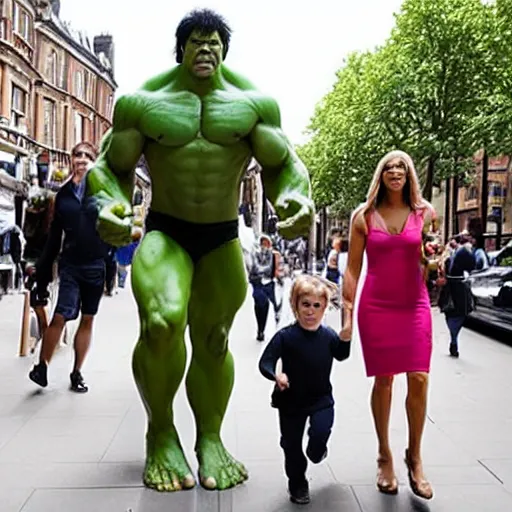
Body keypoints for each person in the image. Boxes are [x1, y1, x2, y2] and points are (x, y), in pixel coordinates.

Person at [86, 9, 314, 492]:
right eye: (196, 42)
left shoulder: (252, 104)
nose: (206, 49)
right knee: (162, 323)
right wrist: (108, 204)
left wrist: (296, 198)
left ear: (224, 50)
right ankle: (161, 430)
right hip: (166, 232)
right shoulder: (142, 103)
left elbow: (284, 165)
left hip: (221, 237)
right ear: (182, 49)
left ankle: (210, 437)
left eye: (214, 42)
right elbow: (109, 168)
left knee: (214, 339)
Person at [341, 150, 436, 500]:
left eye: (402, 167)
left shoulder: (425, 213)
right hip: (377, 306)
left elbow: (430, 257)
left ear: (409, 175)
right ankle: (384, 454)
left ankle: (415, 457)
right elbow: (352, 269)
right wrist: (347, 314)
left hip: (414, 304)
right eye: (389, 167)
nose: (395, 172)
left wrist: (434, 263)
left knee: (420, 378)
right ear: (380, 175)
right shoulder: (363, 216)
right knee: (384, 382)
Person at [258, 275, 351, 505]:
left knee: (320, 434)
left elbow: (341, 354)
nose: (310, 311)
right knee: (291, 446)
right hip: (290, 401)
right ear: (295, 305)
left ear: (324, 308)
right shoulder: (285, 337)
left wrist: (346, 338)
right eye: (305, 305)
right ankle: (297, 482)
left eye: (316, 306)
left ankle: (318, 449)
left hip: (321, 398)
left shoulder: (328, 335)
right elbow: (265, 362)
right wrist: (276, 375)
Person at [28, 142, 107, 393]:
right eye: (78, 155)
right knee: (61, 314)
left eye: (87, 155)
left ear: (94, 161)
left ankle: (77, 372)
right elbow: (53, 238)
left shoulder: (103, 192)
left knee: (87, 319)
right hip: (71, 264)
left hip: (96, 265)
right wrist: (41, 275)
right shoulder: (62, 196)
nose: (82, 159)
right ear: (71, 160)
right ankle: (42, 367)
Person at [438, 233, 476, 357]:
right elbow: (471, 267)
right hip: (457, 286)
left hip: (452, 286)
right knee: (457, 312)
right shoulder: (462, 252)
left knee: (451, 312)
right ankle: (454, 339)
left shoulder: (456, 253)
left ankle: (453, 338)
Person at [248, 234, 282, 341]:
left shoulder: (271, 254)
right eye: (263, 243)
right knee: (259, 303)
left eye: (267, 243)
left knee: (266, 304)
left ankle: (261, 330)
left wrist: (261, 270)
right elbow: (254, 266)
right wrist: (261, 271)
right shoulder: (255, 253)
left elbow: (269, 267)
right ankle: (260, 328)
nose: (265, 245)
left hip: (268, 282)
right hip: (257, 282)